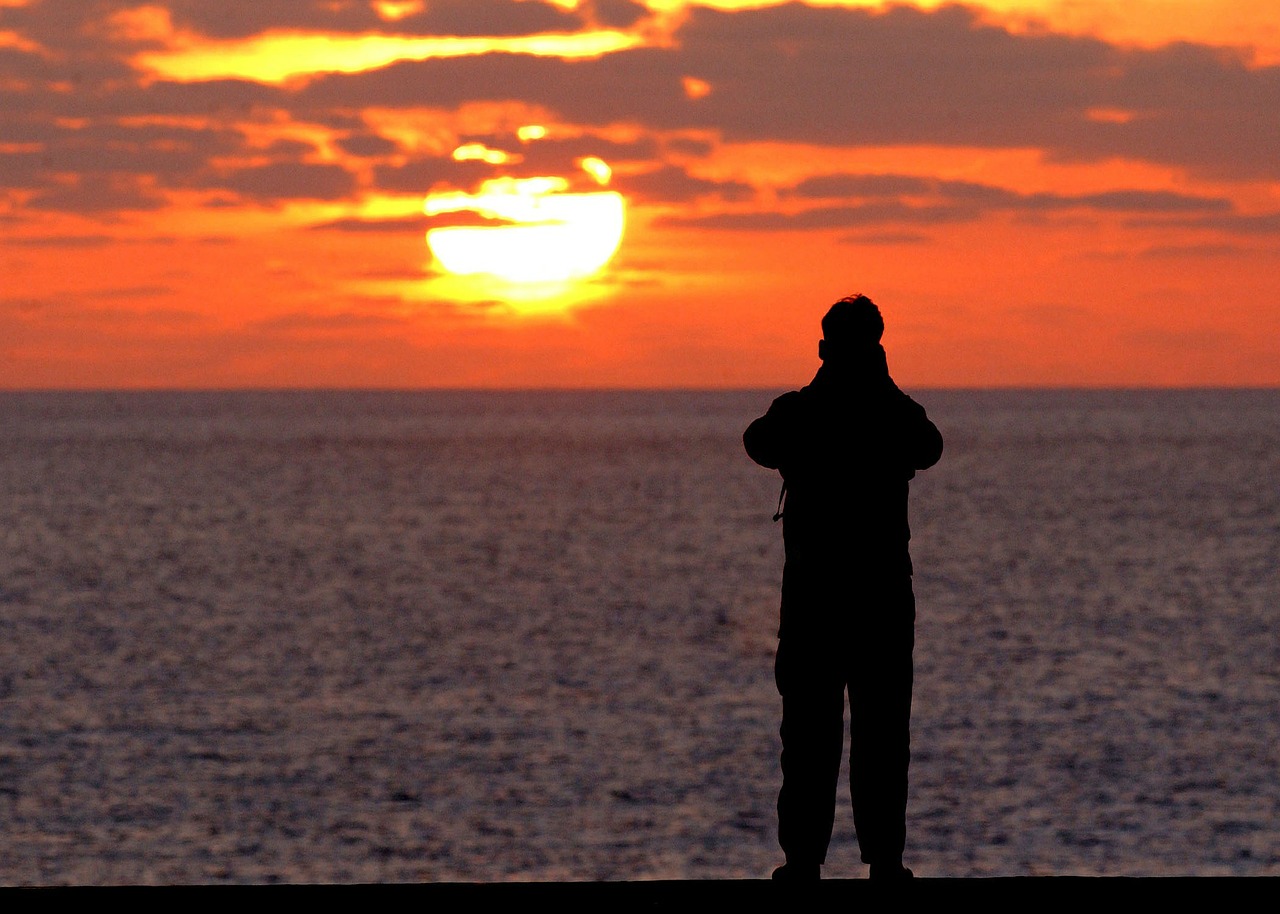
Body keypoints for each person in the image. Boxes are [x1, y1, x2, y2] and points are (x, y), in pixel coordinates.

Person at [743, 293, 943, 881]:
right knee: (881, 733)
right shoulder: (890, 411)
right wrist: (878, 385)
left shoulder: (804, 411)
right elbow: (926, 445)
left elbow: (760, 441)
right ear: (877, 348)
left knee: (809, 734)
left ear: (826, 347)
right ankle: (884, 862)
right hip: (880, 599)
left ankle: (804, 862)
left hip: (815, 599)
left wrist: (827, 385)